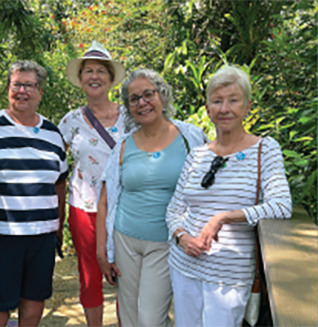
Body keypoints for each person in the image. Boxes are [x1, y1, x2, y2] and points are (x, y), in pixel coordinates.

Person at [166, 65, 292, 326]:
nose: (225, 108)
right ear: (208, 109)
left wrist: (223, 217)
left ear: (246, 107)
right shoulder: (198, 154)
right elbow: (174, 208)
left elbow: (281, 205)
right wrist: (182, 237)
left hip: (228, 275)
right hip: (184, 265)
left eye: (233, 100)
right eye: (217, 101)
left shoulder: (264, 150)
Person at [97, 69, 208, 326]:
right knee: (129, 316)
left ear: (163, 96)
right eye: (134, 99)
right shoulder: (123, 145)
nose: (142, 103)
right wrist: (102, 252)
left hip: (166, 241)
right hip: (125, 239)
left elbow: (210, 186)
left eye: (149, 94)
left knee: (150, 319)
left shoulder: (190, 137)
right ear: (128, 107)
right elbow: (105, 199)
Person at [0, 60, 68, 327]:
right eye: (17, 85)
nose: (22, 91)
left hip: (42, 234)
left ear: (40, 92)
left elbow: (60, 182)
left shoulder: (53, 133)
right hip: (1, 234)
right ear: (8, 90)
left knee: (34, 299)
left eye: (30, 85)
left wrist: (59, 227)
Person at [58, 41, 127, 327]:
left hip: (126, 208)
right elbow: (54, 165)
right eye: (88, 71)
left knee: (128, 273)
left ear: (111, 80)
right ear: (81, 79)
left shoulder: (132, 117)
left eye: (101, 71)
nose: (94, 76)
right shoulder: (70, 120)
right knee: (89, 274)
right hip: (83, 206)